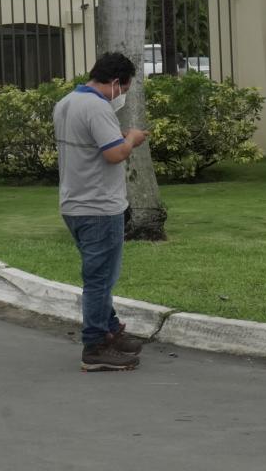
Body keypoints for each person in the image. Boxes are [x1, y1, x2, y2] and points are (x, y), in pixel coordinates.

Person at [53, 52, 150, 371]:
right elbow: (113, 155)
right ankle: (94, 345)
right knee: (100, 278)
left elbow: (91, 145)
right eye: (124, 88)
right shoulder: (98, 107)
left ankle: (109, 330)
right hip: (98, 206)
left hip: (75, 202)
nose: (122, 95)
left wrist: (118, 139)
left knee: (101, 275)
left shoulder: (67, 102)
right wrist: (132, 139)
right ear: (114, 83)